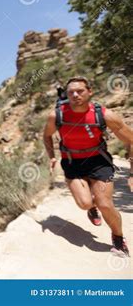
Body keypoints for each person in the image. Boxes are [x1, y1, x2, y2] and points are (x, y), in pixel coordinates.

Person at [43, 76, 132, 257]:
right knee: (85, 203)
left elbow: (131, 141)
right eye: (71, 92)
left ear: (90, 92)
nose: (75, 95)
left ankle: (118, 238)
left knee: (105, 204)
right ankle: (91, 207)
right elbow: (47, 136)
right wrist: (52, 157)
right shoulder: (57, 115)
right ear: (66, 95)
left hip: (98, 162)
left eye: (80, 91)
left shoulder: (105, 115)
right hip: (72, 162)